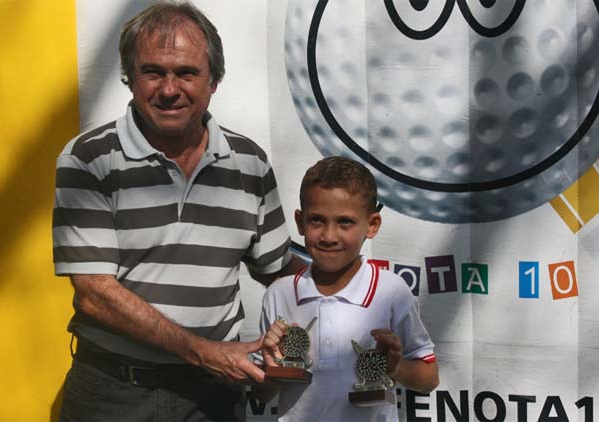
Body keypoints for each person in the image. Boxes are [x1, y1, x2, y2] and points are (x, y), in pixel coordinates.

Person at [52, 2, 303, 421]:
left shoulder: (249, 163)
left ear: (214, 80)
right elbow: (94, 294)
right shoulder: (89, 159)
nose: (170, 89)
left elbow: (278, 270)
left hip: (213, 397)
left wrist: (350, 288)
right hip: (113, 394)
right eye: (153, 72)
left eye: (187, 72)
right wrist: (205, 353)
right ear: (129, 78)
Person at [254, 156, 439, 421]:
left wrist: (396, 369)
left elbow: (429, 378)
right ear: (299, 221)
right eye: (317, 220)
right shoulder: (278, 294)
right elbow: (260, 394)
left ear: (372, 224)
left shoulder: (392, 291)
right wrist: (273, 368)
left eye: (345, 222)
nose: (329, 236)